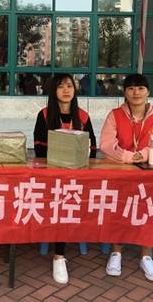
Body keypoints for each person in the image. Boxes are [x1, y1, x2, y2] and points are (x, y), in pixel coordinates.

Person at [100, 73, 153, 282]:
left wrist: (145, 154)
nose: (136, 92)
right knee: (118, 209)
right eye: (131, 88)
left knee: (148, 210)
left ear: (148, 92)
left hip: (150, 174)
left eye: (141, 88)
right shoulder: (115, 115)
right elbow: (106, 145)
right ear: (125, 93)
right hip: (120, 172)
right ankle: (116, 252)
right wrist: (127, 157)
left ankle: (146, 255)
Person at [33, 73, 97, 284]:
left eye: (70, 85)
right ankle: (59, 257)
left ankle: (60, 254)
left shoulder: (83, 116)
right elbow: (38, 149)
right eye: (61, 86)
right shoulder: (44, 115)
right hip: (51, 177)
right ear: (53, 91)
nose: (66, 90)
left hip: (78, 178)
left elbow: (92, 149)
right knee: (59, 200)